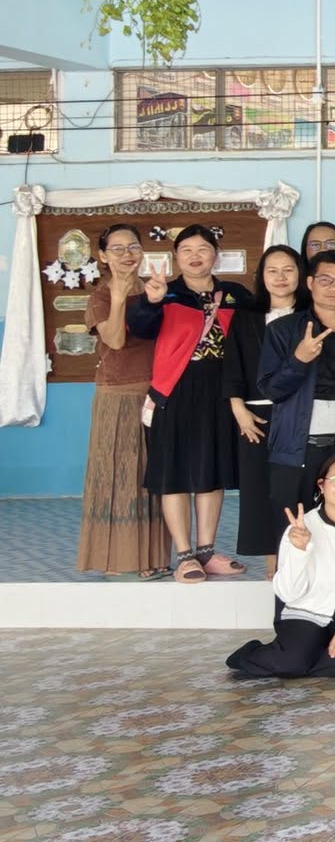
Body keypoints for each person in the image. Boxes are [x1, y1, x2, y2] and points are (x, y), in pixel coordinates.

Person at [129, 224, 258, 583]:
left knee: (211, 472)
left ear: (216, 254)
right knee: (174, 473)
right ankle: (185, 555)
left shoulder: (235, 295)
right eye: (186, 250)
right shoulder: (167, 293)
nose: (195, 256)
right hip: (174, 392)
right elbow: (140, 328)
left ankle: (207, 550)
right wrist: (151, 302)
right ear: (176, 257)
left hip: (222, 392)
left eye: (203, 249)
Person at [224, 452, 335, 680]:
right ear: (321, 485)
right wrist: (299, 551)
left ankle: (301, 661)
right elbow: (287, 593)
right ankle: (254, 655)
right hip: (307, 614)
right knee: (291, 662)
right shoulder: (302, 527)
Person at [258, 250, 335, 518]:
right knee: (295, 529)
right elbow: (272, 390)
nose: (334, 288)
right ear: (310, 283)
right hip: (298, 448)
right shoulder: (282, 331)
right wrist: (299, 360)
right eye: (325, 280)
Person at [77, 223, 168, 579]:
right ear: (102, 256)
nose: (127, 255)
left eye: (133, 247)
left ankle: (154, 556)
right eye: (117, 249)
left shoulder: (154, 290)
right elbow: (115, 340)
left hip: (156, 394)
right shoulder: (99, 297)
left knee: (153, 476)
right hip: (116, 395)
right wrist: (118, 298)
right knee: (118, 477)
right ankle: (119, 560)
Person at [226, 245, 306, 574]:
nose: (280, 277)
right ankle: (272, 561)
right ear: (262, 276)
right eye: (272, 271)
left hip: (301, 413)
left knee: (298, 487)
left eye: (288, 269)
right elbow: (232, 366)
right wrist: (238, 409)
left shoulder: (312, 315)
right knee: (260, 490)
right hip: (256, 415)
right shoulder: (246, 317)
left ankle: (300, 556)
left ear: (300, 274)